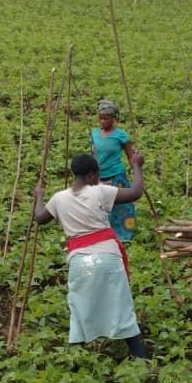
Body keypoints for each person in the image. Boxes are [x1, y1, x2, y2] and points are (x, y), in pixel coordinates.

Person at [34, 152, 148, 357]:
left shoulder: (58, 199)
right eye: (97, 175)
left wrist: (39, 196)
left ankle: (76, 357)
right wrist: (137, 165)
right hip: (108, 258)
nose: (97, 180)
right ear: (91, 175)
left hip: (80, 262)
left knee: (80, 306)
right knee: (120, 304)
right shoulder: (100, 192)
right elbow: (136, 192)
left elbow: (40, 218)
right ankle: (140, 357)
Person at [91, 98, 137, 242]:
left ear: (114, 119)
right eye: (101, 118)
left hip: (116, 176)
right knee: (101, 207)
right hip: (98, 177)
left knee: (121, 207)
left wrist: (137, 168)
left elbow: (131, 156)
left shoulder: (120, 135)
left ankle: (123, 236)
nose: (103, 121)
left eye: (106, 118)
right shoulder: (93, 133)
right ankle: (102, 235)